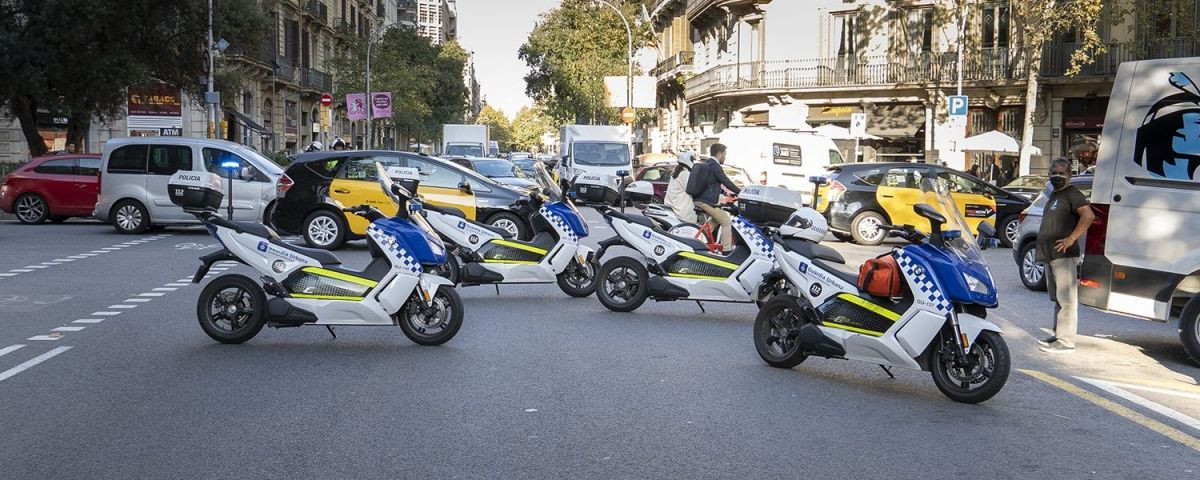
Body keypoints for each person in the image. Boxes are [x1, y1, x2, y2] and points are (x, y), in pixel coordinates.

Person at [1038, 157, 1095, 354]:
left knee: (1067, 300)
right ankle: (1058, 335)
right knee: (1058, 298)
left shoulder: (1072, 194)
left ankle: (1066, 341)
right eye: (1054, 173)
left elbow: (1088, 216)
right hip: (1051, 255)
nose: (1057, 176)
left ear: (1069, 175)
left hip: (1064, 255)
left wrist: (1071, 239)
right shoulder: (1055, 194)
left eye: (1061, 173)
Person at [691, 143, 742, 253]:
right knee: (726, 221)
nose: (725, 157)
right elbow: (725, 180)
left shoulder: (708, 163)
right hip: (705, 201)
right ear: (720, 153)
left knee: (716, 220)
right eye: (725, 154)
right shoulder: (714, 165)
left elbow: (713, 183)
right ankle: (727, 250)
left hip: (701, 199)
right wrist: (741, 192)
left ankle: (701, 240)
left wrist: (726, 193)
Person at [665, 151, 697, 224]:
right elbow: (692, 190)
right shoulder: (684, 174)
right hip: (681, 210)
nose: (693, 162)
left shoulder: (677, 172)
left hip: (673, 205)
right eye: (692, 160)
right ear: (688, 160)